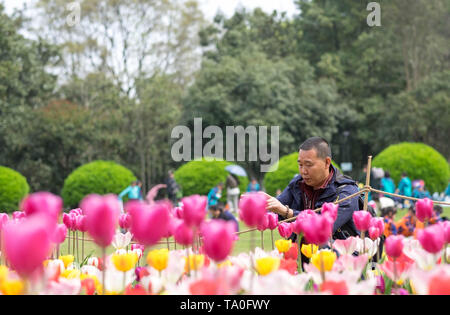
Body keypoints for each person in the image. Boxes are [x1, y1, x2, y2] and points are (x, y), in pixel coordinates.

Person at [264, 137, 361, 266]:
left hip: (341, 263)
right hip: (302, 259)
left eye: (308, 165)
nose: (303, 171)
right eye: (300, 165)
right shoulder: (298, 184)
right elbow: (278, 208)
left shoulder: (347, 191)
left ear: (327, 163)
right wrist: (263, 205)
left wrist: (288, 212)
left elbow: (325, 226)